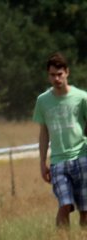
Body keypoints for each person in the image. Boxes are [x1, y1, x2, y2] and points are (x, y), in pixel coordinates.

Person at [33, 52, 87, 227]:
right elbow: (44, 132)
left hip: (82, 156)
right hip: (58, 161)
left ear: (67, 72)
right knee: (64, 205)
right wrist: (42, 162)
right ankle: (62, 239)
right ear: (48, 75)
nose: (56, 79)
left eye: (59, 74)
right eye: (52, 75)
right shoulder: (43, 101)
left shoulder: (82, 97)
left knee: (85, 209)